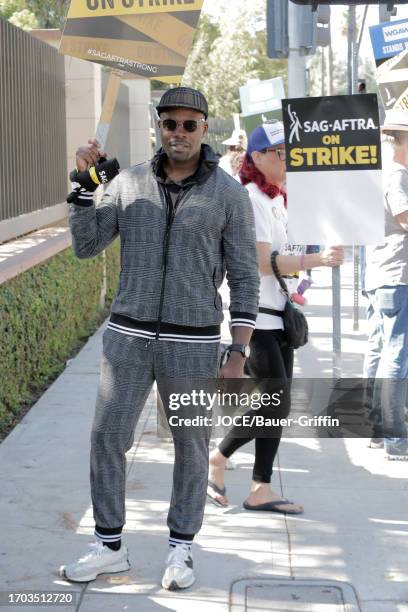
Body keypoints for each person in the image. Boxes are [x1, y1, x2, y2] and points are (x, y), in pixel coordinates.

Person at [60, 87, 260, 589]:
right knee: (107, 439)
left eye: (190, 125)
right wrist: (85, 188)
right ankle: (109, 547)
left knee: (192, 446)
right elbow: (87, 245)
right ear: (159, 128)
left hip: (192, 345)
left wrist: (238, 350)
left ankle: (181, 549)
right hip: (127, 336)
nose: (180, 133)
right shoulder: (127, 183)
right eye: (170, 124)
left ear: (205, 129)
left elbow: (245, 276)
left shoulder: (229, 195)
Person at [207, 121, 344, 512]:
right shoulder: (250, 197)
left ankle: (261, 487)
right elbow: (262, 262)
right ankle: (218, 457)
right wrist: (315, 259)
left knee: (277, 403)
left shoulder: (277, 198)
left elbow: (289, 258)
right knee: (275, 402)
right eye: (280, 152)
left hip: (279, 318)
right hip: (256, 320)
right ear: (256, 158)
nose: (288, 159)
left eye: (290, 152)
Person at [363, 109, 408, 460]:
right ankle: (395, 437)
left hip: (379, 273)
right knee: (397, 355)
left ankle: (376, 427)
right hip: (397, 274)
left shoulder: (379, 174)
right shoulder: (398, 175)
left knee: (379, 350)